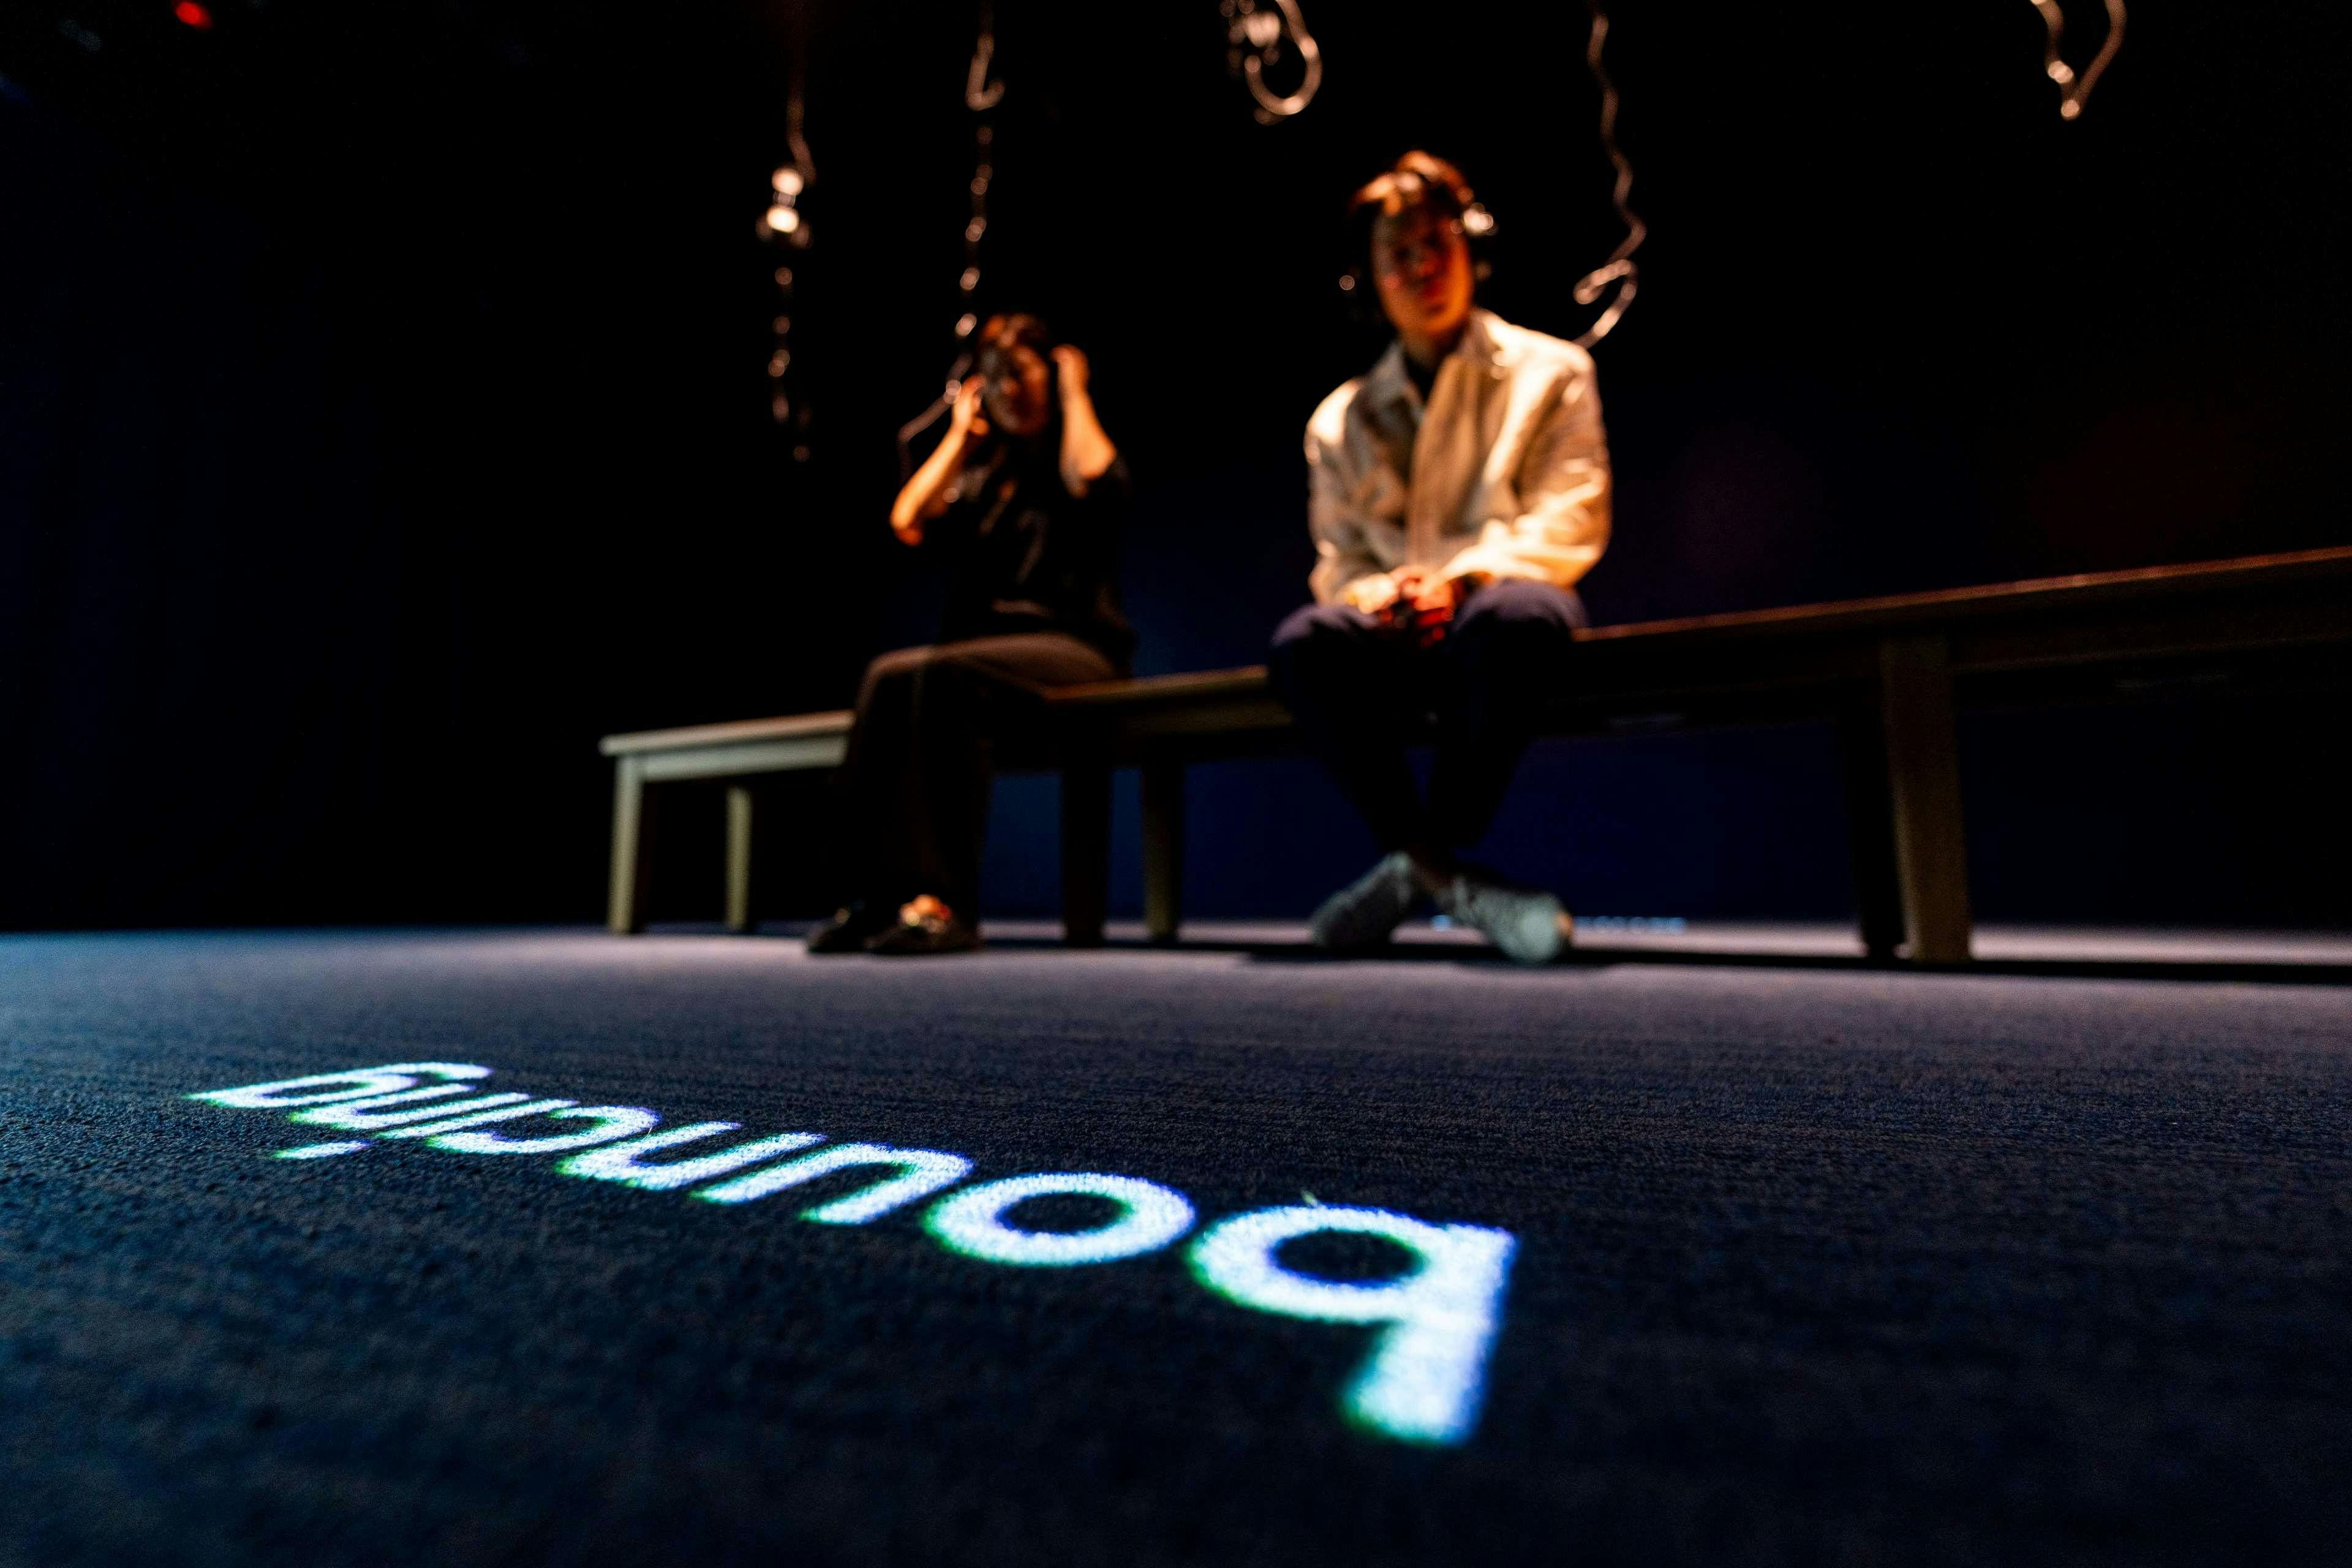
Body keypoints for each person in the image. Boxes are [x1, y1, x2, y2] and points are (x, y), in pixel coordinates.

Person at [1270, 151, 1611, 964]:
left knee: (1517, 616)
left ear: (1471, 245)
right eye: (1399, 254)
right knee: (1306, 642)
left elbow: (1571, 515)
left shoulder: (1554, 371)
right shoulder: (1337, 422)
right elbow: (1339, 564)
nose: (1423, 267)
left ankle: (1416, 867)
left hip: (1501, 607)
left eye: (1437, 242)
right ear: (1367, 280)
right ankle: (1447, 877)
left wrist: (1463, 581)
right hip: (1394, 629)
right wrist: (1386, 596)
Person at [806, 314, 1131, 956]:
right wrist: (960, 435)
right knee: (887, 676)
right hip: (987, 656)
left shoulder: (1074, 456)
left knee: (943, 674)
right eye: (994, 378)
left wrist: (1074, 392)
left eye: (1021, 372)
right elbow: (907, 517)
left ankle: (942, 900)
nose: (1008, 389)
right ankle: (870, 897)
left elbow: (1095, 480)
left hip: (1076, 649)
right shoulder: (987, 477)